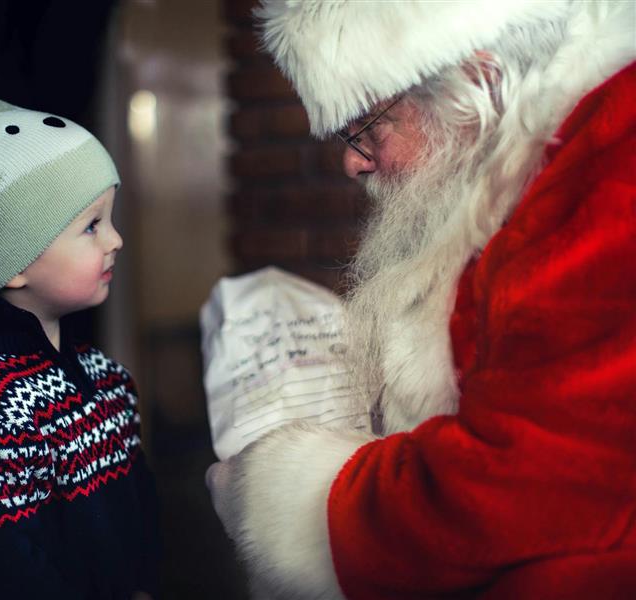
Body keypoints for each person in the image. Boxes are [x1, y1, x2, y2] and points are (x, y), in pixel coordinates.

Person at [206, 1, 636, 598]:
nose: (352, 163)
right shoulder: (544, 161)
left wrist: (287, 497)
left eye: (367, 129)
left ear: (477, 82)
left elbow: (526, 488)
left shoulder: (614, 165)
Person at [0, 85, 159, 600]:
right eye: (91, 226)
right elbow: (0, 573)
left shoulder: (105, 379)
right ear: (13, 262)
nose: (115, 240)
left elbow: (141, 520)